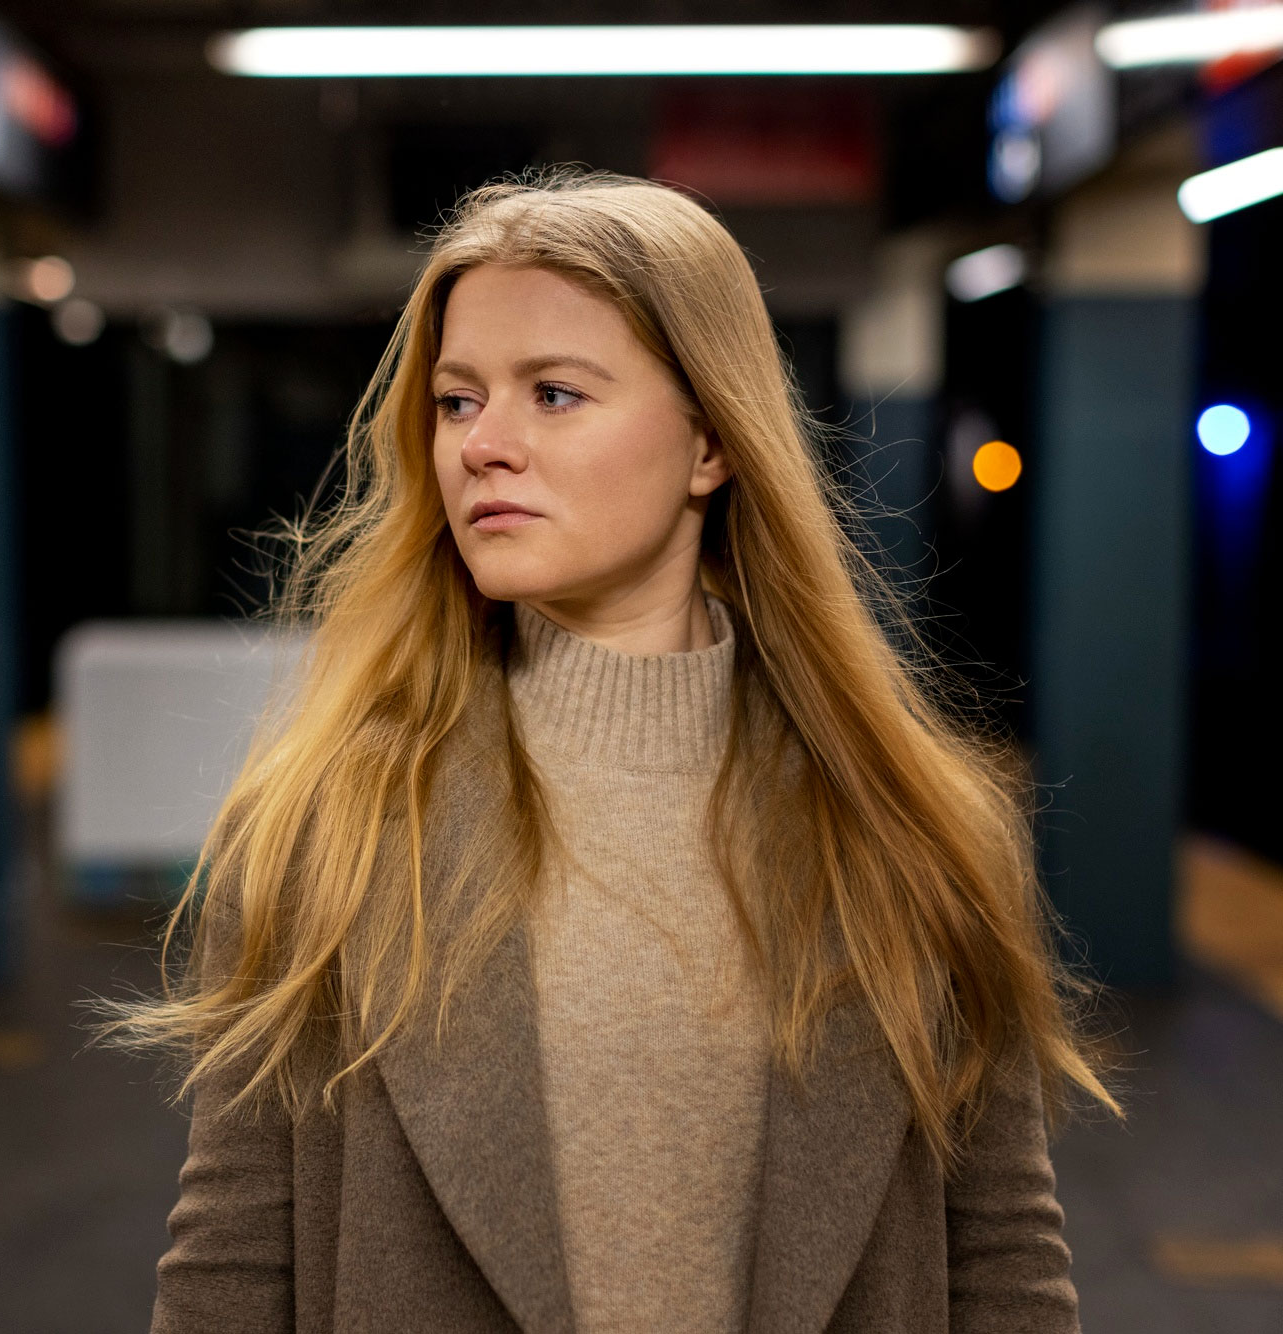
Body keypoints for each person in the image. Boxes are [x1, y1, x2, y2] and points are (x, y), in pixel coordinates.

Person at [107, 171, 1115, 1333]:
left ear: (708, 443)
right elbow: (229, 1265)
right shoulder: (323, 828)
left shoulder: (911, 835)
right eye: (454, 399)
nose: (483, 444)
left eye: (553, 392)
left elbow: (1001, 1261)